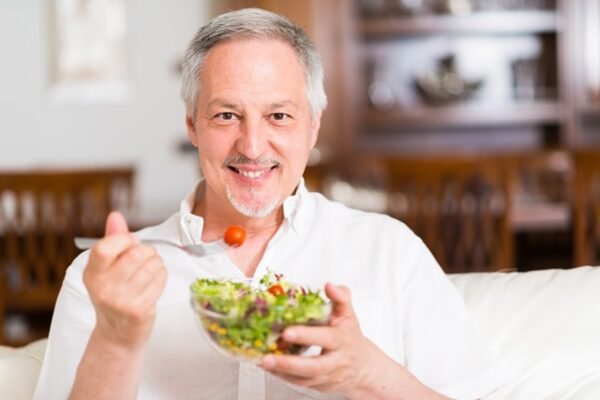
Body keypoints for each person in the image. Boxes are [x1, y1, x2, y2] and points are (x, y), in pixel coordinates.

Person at [34, 8, 507, 400]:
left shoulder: (389, 250)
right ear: (192, 125)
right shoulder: (103, 281)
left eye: (278, 115)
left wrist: (366, 373)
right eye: (226, 115)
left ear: (313, 126)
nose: (253, 145)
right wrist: (116, 339)